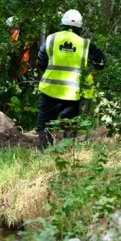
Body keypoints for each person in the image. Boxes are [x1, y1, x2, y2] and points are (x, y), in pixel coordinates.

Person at [36, 9, 106, 147]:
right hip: (72, 93)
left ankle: (44, 151)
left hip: (50, 89)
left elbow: (40, 61)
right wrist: (91, 71)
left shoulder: (52, 39)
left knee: (44, 124)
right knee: (70, 125)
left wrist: (50, 72)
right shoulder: (85, 44)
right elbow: (101, 62)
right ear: (79, 27)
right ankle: (68, 152)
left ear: (62, 24)